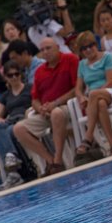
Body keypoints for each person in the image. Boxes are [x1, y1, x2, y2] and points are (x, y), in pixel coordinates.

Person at [13, 38, 79, 176]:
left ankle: (58, 159)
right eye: (42, 50)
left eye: (48, 48)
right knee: (18, 129)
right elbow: (34, 99)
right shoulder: (39, 71)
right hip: (46, 112)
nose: (45, 52)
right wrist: (40, 109)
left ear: (57, 47)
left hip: (68, 106)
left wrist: (56, 103)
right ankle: (51, 161)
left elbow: (77, 88)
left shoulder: (70, 59)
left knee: (56, 113)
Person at [75, 31, 112, 156]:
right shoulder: (81, 65)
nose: (88, 49)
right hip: (96, 100)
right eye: (84, 48)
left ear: (96, 45)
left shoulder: (108, 57)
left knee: (94, 95)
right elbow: (78, 88)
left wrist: (92, 95)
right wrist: (81, 98)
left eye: (90, 45)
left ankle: (88, 137)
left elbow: (111, 81)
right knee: (100, 104)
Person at [0, 61, 32, 189]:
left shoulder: (29, 88)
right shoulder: (6, 95)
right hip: (11, 120)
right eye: (10, 75)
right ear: (6, 77)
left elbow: (36, 103)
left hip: (25, 117)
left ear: (21, 74)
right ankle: (12, 160)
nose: (14, 77)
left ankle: (13, 171)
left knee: (8, 131)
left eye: (16, 74)